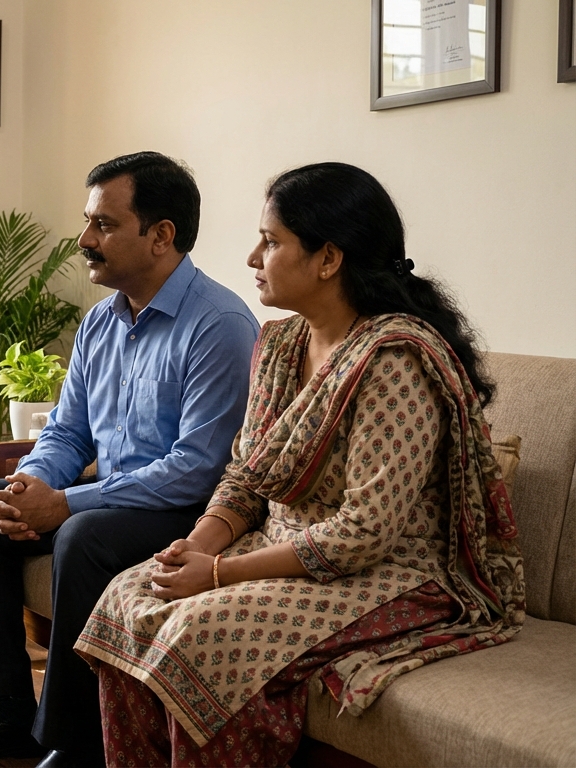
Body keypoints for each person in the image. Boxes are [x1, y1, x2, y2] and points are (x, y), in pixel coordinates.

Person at [75, 162, 525, 767]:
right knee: (127, 598)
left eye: (272, 240)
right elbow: (245, 476)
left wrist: (216, 577)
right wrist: (195, 548)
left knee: (201, 637)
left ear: (328, 259)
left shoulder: (394, 360)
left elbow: (363, 534)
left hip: (391, 571)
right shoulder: (282, 345)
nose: (252, 256)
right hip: (281, 546)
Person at [0, 152, 259, 768]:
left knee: (83, 534)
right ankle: (7, 714)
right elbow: (68, 432)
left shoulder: (220, 324)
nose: (84, 240)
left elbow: (200, 467)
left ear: (160, 236)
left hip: (188, 510)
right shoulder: (100, 322)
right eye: (87, 222)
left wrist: (64, 504)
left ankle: (75, 741)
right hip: (115, 496)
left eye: (103, 224)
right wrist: (31, 487)